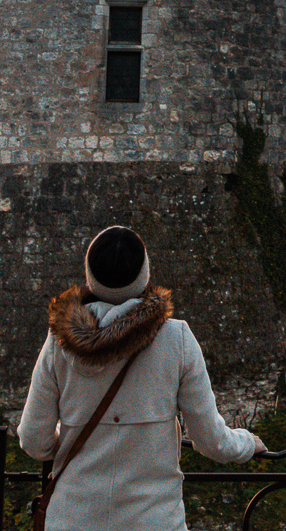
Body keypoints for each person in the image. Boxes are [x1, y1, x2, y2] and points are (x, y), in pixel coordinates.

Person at [17, 225, 268, 530]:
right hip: (154, 519)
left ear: (90, 275)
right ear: (144, 273)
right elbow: (211, 441)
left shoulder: (59, 342)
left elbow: (32, 439)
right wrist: (247, 443)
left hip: (73, 518)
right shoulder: (177, 339)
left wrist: (70, 440)